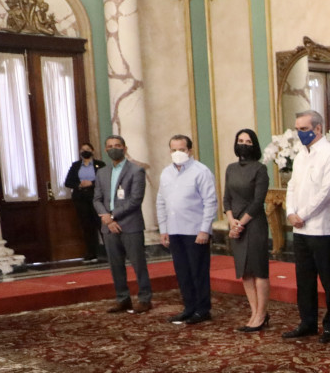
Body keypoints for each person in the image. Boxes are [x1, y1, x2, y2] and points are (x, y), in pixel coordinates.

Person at [282, 110, 330, 343]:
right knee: (304, 278)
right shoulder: (301, 154)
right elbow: (292, 186)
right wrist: (291, 212)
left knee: (328, 279)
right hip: (300, 227)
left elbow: (327, 192)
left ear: (318, 129)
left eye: (304, 129)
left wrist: (303, 214)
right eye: (297, 129)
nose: (300, 133)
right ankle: (307, 322)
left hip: (322, 227)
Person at [157, 135, 217, 325]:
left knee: (198, 271)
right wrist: (163, 229)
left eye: (181, 150)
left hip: (195, 230)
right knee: (182, 272)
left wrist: (205, 230)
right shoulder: (166, 173)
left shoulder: (201, 171)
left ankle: (202, 309)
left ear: (190, 151)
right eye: (174, 150)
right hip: (174, 230)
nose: (177, 153)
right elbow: (161, 201)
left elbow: (210, 202)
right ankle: (189, 308)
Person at [93, 135, 153, 313]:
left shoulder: (136, 170)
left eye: (117, 145)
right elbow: (96, 199)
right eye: (110, 146)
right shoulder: (102, 172)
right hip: (108, 227)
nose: (114, 149)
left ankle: (145, 299)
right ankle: (122, 298)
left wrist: (112, 216)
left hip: (130, 224)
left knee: (138, 264)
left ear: (125, 148)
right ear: (106, 150)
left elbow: (135, 200)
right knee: (115, 265)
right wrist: (106, 218)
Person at [224, 129, 271, 332]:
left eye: (248, 141)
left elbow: (258, 201)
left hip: (254, 224)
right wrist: (231, 222)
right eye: (240, 140)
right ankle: (254, 312)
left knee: (258, 270)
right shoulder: (230, 168)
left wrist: (240, 224)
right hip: (236, 224)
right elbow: (226, 198)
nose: (243, 144)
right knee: (245, 271)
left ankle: (261, 314)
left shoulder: (260, 169)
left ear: (254, 145)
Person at [63, 141, 104, 261]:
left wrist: (92, 183)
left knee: (101, 224)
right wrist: (79, 185)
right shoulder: (76, 166)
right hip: (81, 199)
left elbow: (105, 180)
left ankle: (110, 251)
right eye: (82, 149)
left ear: (92, 151)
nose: (85, 151)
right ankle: (91, 253)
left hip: (96, 197)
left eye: (87, 149)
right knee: (87, 226)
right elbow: (68, 182)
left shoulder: (100, 164)